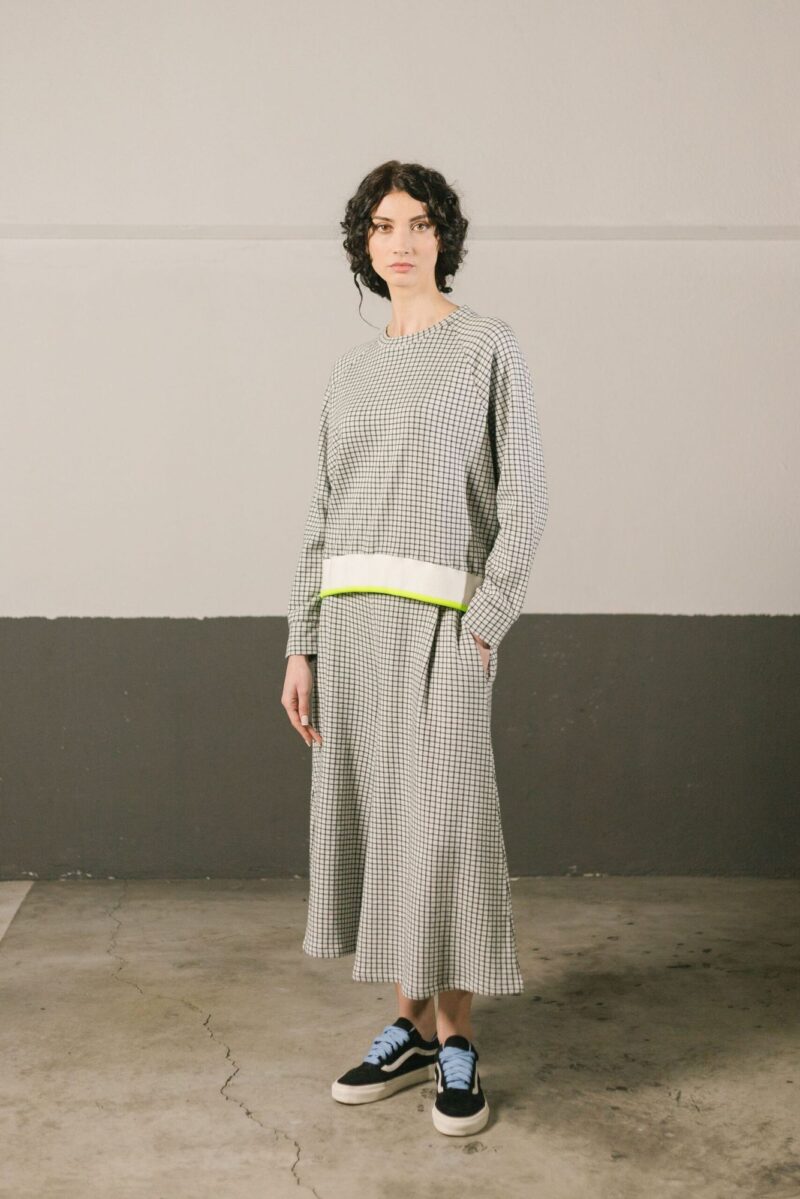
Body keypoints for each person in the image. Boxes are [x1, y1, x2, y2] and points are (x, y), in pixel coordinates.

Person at [281, 160, 548, 1136]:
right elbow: (321, 513)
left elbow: (523, 496)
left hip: (441, 625)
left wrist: (486, 618)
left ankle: (458, 1035)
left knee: (446, 826)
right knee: (387, 824)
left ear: (444, 239)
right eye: (384, 225)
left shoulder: (486, 345)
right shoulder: (348, 372)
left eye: (420, 224)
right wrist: (301, 642)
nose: (402, 242)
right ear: (363, 243)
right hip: (351, 625)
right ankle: (410, 1026)